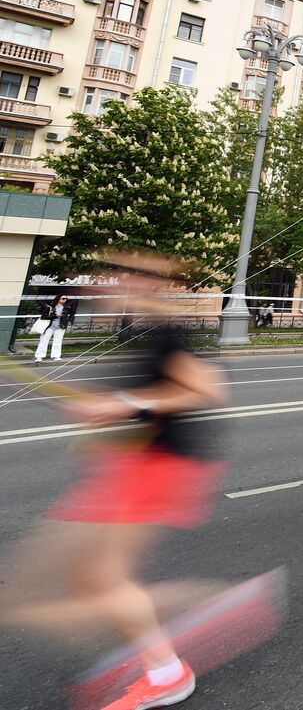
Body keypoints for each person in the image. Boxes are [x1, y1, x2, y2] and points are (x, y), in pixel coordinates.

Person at [0, 251, 231, 709]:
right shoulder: (150, 330)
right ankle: (168, 637)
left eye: (122, 275)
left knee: (100, 580)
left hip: (157, 466)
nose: (108, 283)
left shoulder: (167, 332)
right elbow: (143, 394)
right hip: (134, 462)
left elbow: (208, 389)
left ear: (151, 284)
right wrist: (99, 403)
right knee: (90, 580)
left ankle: (177, 644)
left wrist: (122, 402)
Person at [34, 294, 76, 363]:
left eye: (66, 298)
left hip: (60, 326)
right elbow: (44, 316)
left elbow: (72, 313)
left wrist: (68, 319)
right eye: (63, 298)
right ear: (58, 299)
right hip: (49, 326)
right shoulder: (51, 307)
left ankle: (56, 355)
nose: (65, 300)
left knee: (58, 341)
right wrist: (55, 315)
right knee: (43, 340)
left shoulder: (67, 307)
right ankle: (39, 356)